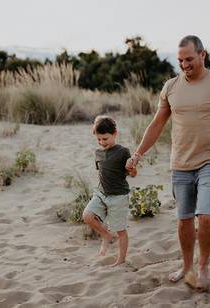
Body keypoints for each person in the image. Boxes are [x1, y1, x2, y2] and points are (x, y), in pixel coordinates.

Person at [126, 35, 210, 290]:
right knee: (184, 220)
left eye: (189, 59)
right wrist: (137, 154)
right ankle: (186, 266)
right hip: (181, 164)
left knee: (205, 217)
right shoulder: (171, 87)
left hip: (208, 161)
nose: (184, 65)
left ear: (203, 55)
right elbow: (156, 124)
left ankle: (203, 266)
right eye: (180, 60)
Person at [83, 115, 137, 266]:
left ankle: (121, 259)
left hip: (118, 196)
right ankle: (106, 235)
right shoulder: (98, 153)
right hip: (101, 193)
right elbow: (101, 172)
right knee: (87, 216)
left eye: (105, 139)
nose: (101, 142)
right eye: (98, 139)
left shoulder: (123, 152)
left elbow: (132, 174)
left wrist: (132, 168)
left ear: (115, 133)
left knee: (120, 231)